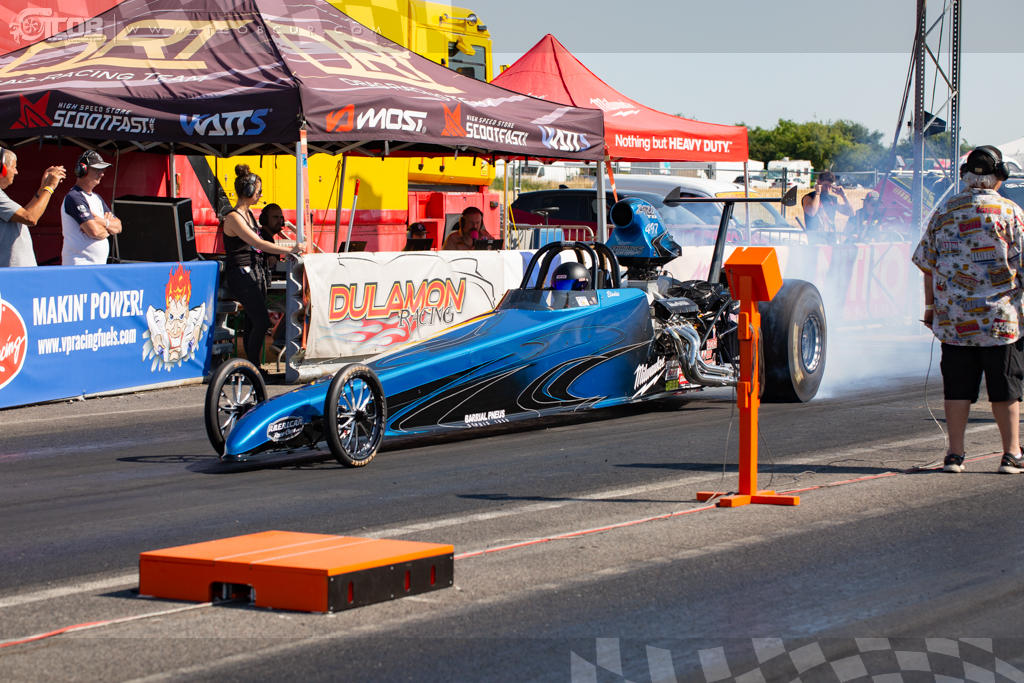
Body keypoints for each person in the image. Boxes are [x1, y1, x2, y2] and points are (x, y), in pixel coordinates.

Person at [912, 145, 1024, 475]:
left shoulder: (945, 210)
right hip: (1001, 321)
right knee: (1005, 387)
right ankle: (1011, 455)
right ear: (1000, 177)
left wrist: (930, 308)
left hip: (954, 319)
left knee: (957, 388)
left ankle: (954, 455)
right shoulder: (1010, 212)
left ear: (965, 177)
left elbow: (927, 265)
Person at [222, 165, 303, 369]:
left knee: (252, 322)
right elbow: (258, 243)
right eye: (258, 190)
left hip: (254, 272)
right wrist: (290, 250)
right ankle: (253, 367)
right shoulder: (233, 218)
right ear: (248, 191)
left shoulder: (249, 214)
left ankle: (252, 367)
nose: (260, 194)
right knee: (262, 321)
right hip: (241, 274)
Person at [0, 149, 66, 267]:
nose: (16, 172)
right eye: (14, 167)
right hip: (11, 272)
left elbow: (25, 214)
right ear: (2, 169)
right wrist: (50, 187)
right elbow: (30, 218)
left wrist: (43, 188)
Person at [61, 151, 122, 265]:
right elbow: (94, 231)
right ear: (82, 170)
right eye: (97, 170)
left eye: (102, 170)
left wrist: (101, 222)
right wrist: (109, 228)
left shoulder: (97, 198)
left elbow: (118, 226)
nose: (102, 174)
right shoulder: (74, 196)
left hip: (96, 266)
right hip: (80, 266)